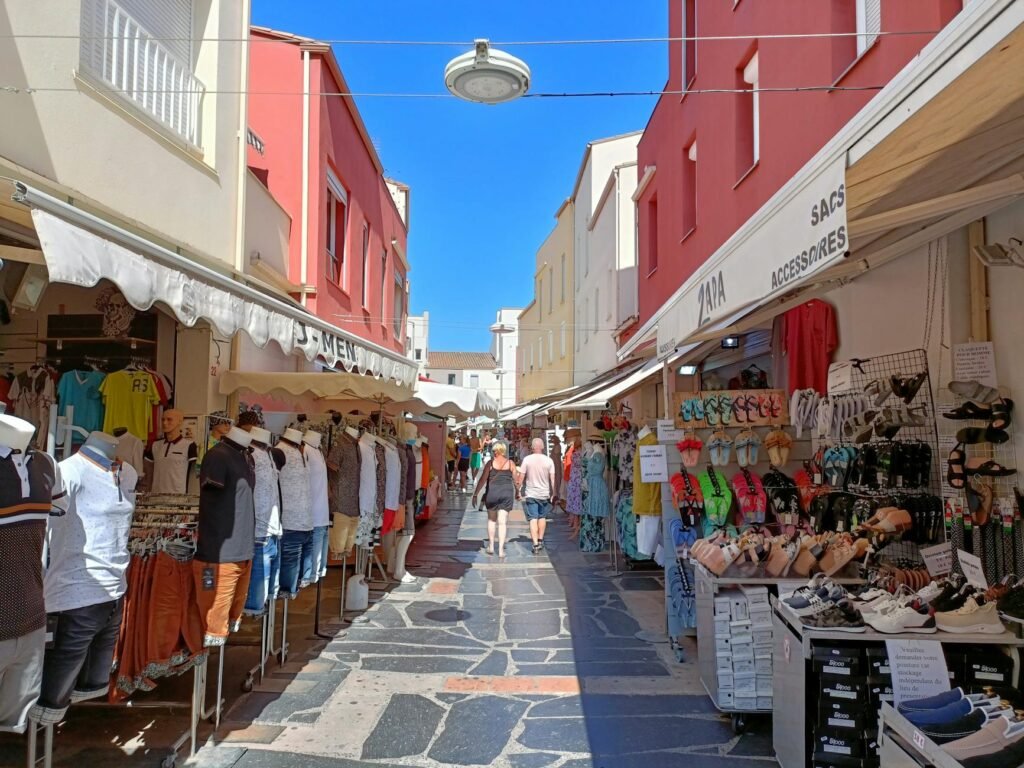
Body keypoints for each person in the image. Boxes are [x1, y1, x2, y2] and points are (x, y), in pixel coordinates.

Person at [471, 442, 519, 558]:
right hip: (506, 494)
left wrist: (475, 494)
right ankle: (501, 550)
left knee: (492, 520)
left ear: (497, 451)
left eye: (493, 451)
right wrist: (518, 492)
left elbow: (482, 480)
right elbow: (516, 480)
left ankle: (491, 546)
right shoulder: (510, 463)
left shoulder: (490, 463)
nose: (492, 453)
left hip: (492, 493)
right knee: (502, 522)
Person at [520, 437, 556, 553]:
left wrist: (518, 489)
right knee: (542, 517)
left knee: (532, 518)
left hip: (531, 493)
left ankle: (535, 544)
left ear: (532, 447)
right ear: (543, 447)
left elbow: (521, 476)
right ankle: (540, 540)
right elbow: (552, 479)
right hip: (544, 493)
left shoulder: (527, 459)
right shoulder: (549, 460)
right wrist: (554, 492)